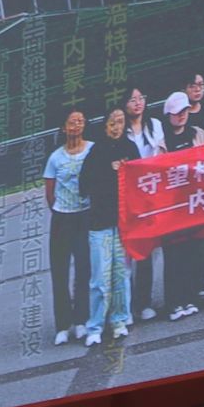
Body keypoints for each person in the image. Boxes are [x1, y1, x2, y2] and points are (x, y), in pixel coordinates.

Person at [82, 107, 135, 345]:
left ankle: (119, 320)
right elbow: (84, 185)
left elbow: (140, 180)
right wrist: (109, 170)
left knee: (121, 275)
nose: (116, 127)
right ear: (105, 126)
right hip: (100, 224)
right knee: (100, 279)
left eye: (120, 122)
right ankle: (94, 326)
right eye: (112, 123)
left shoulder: (130, 148)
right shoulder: (96, 152)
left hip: (123, 224)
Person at [158, 91, 204, 320]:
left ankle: (190, 297)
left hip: (196, 201)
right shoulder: (161, 142)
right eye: (177, 112)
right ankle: (174, 302)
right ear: (168, 115)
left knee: (193, 251)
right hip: (172, 205)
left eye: (185, 111)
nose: (181, 116)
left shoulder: (198, 134)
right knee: (174, 254)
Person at [42, 109, 94, 344]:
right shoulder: (55, 158)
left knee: (84, 268)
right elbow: (50, 192)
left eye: (81, 121)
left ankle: (82, 320)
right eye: (72, 122)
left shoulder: (92, 149)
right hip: (62, 218)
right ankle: (63, 325)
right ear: (63, 128)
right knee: (60, 271)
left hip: (85, 215)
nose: (77, 125)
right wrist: (60, 210)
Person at [121, 86, 167, 317]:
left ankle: (144, 303)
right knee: (127, 253)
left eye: (141, 98)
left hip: (151, 195)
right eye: (132, 99)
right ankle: (125, 306)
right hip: (128, 198)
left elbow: (162, 156)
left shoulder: (155, 125)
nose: (138, 103)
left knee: (148, 250)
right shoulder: (121, 130)